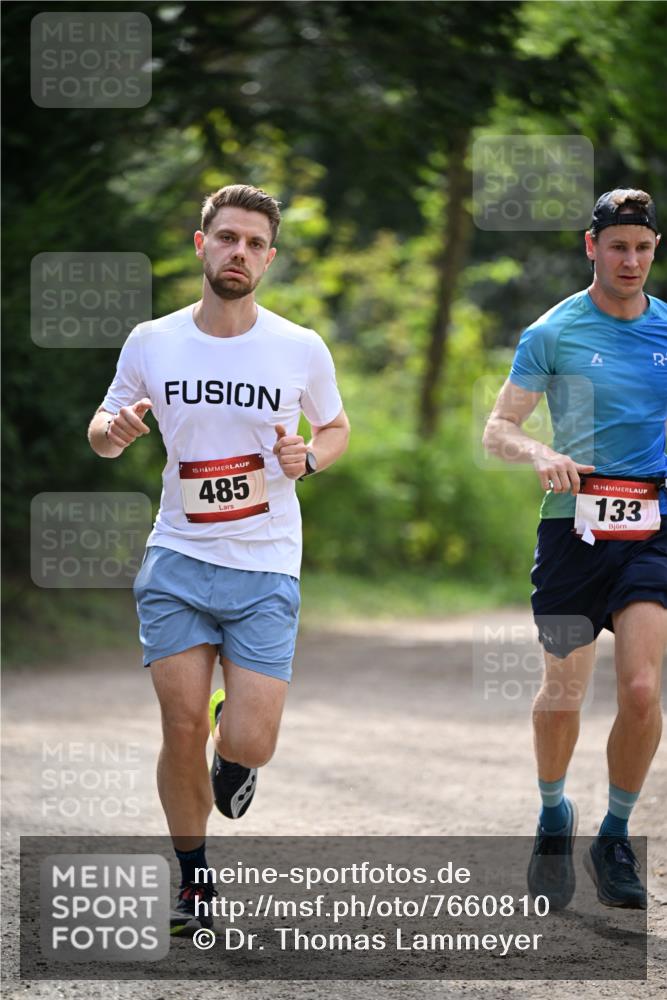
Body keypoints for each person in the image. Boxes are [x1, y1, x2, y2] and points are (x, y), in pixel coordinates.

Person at [88, 184, 350, 935]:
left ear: (269, 257)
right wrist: (117, 429)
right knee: (178, 731)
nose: (240, 252)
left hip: (266, 564)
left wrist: (311, 458)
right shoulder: (152, 341)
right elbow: (102, 428)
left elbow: (334, 427)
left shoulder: (299, 346)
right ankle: (193, 879)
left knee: (247, 740)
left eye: (255, 243)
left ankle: (231, 746)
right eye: (227, 238)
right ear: (201, 245)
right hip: (177, 558)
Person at [483, 188, 666, 910]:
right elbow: (498, 426)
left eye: (642, 248)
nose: (629, 260)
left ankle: (614, 834)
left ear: (653, 251)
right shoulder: (552, 331)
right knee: (563, 691)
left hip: (651, 526)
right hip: (571, 529)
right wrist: (535, 451)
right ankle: (553, 813)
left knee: (643, 687)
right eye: (616, 246)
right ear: (591, 247)